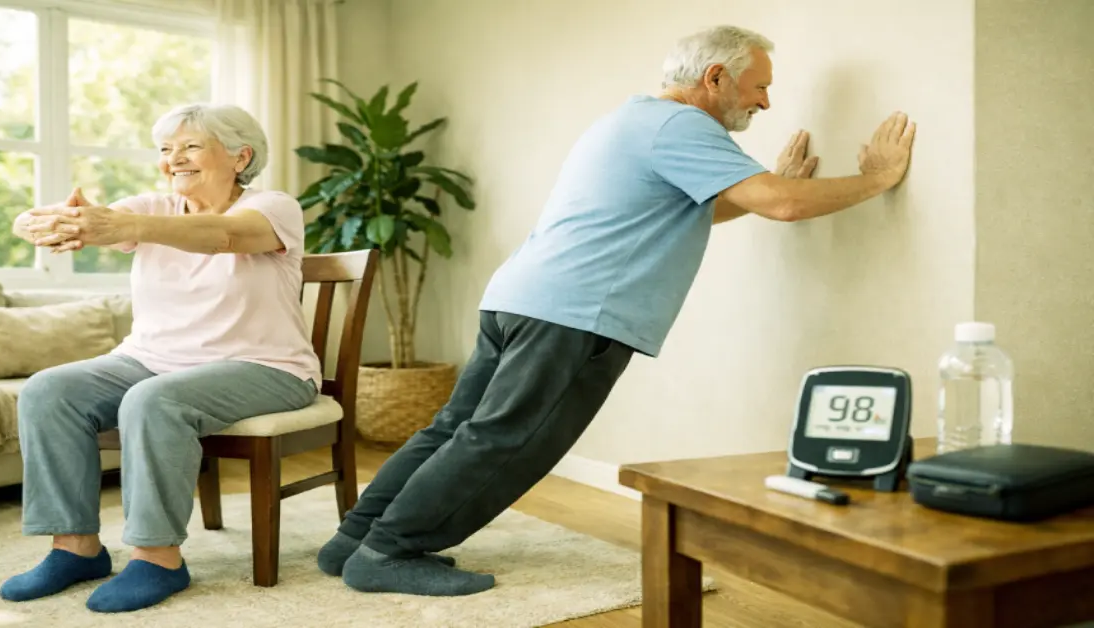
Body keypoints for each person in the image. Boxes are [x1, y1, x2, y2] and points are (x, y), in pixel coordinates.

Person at [315, 24, 917, 597]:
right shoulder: (684, 127)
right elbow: (784, 205)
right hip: (574, 314)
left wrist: (765, 193)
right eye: (759, 85)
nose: (765, 102)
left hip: (521, 300)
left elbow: (690, 209)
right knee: (505, 440)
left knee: (456, 430)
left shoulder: (634, 120)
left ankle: (353, 541)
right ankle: (391, 553)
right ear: (715, 77)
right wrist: (875, 178)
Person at [0, 103, 321, 613]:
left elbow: (222, 236)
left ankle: (157, 557)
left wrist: (125, 225)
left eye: (191, 146)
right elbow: (37, 221)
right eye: (167, 150)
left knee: (152, 401)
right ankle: (75, 548)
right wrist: (53, 223)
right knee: (49, 390)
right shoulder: (152, 207)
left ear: (241, 157)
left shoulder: (274, 207)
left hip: (267, 367)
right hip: (152, 358)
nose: (175, 159)